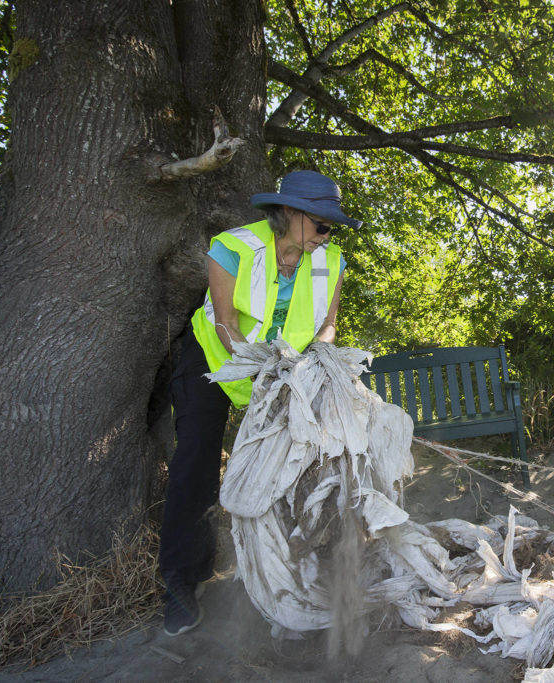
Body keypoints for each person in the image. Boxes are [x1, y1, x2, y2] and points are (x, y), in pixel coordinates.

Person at [158, 170, 360, 636]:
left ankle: (289, 573)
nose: (327, 235)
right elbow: (226, 323)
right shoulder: (232, 247)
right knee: (195, 466)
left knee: (295, 463)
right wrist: (262, 367)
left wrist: (313, 361)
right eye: (322, 225)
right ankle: (182, 582)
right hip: (216, 359)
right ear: (290, 213)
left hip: (285, 372)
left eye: (332, 228)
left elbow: (328, 326)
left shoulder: (332, 261)